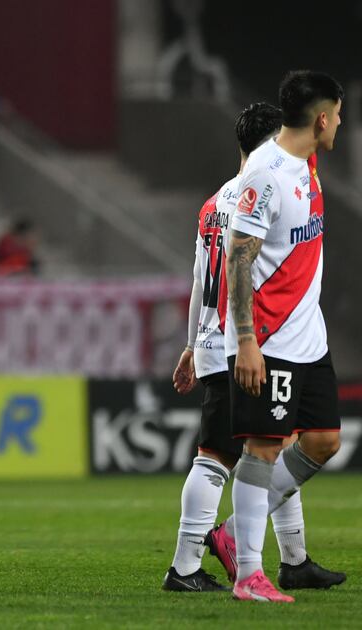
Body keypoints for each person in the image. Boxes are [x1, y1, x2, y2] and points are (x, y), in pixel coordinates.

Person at [165, 102, 343, 593]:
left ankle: (294, 557)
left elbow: (202, 279)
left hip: (214, 334)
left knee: (277, 441)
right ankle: (185, 565)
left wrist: (190, 343)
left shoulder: (212, 204)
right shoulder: (262, 193)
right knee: (218, 456)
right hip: (242, 339)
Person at [221, 70, 344, 603]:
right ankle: (249, 572)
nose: (340, 122)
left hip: (308, 337)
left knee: (323, 441)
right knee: (263, 448)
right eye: (337, 114)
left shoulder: (308, 162)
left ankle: (230, 532)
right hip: (267, 338)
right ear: (321, 119)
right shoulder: (266, 174)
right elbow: (238, 256)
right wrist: (245, 339)